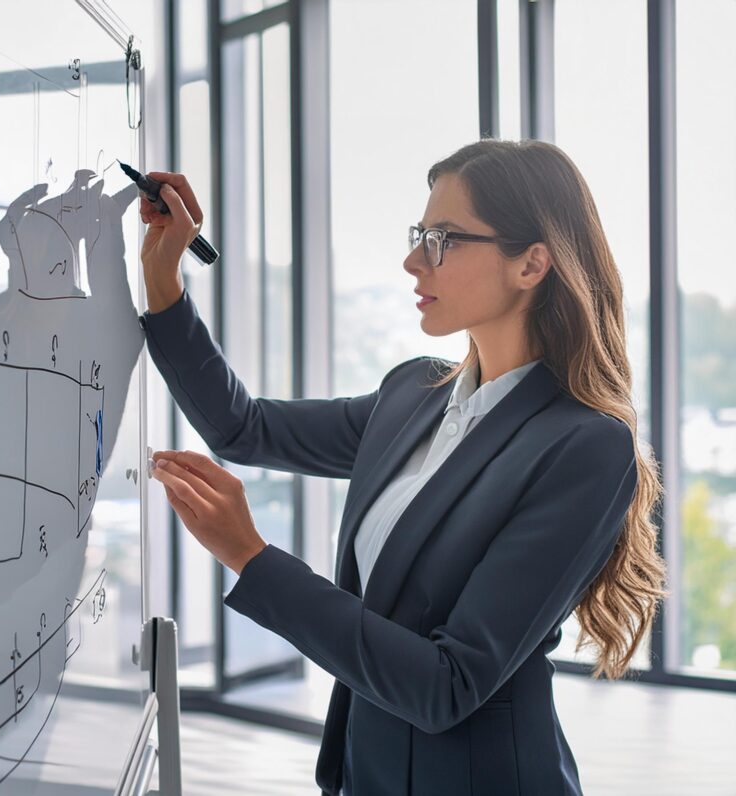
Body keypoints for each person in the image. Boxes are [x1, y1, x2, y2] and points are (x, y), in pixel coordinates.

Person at [137, 139, 668, 795]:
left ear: (532, 264)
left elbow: (450, 684)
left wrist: (253, 558)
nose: (413, 260)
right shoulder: (411, 396)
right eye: (420, 234)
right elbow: (244, 429)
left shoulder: (583, 446)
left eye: (443, 239)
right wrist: (164, 282)